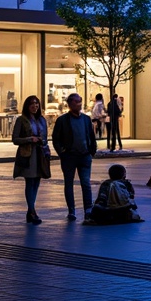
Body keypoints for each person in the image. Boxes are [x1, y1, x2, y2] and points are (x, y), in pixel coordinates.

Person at [51, 93, 96, 221]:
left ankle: (88, 209)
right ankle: (72, 210)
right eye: (76, 102)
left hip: (84, 156)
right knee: (69, 183)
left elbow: (91, 136)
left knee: (86, 183)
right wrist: (62, 153)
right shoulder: (63, 120)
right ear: (70, 104)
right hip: (69, 156)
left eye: (80, 101)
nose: (79, 104)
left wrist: (91, 151)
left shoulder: (86, 119)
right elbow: (56, 138)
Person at [12, 95, 51, 224]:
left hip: (40, 153)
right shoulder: (21, 120)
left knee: (37, 181)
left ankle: (31, 210)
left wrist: (45, 147)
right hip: (28, 154)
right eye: (32, 104)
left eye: (37, 104)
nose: (35, 106)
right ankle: (32, 210)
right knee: (30, 181)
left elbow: (45, 137)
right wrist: (30, 139)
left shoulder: (41, 120)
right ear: (27, 106)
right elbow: (15, 139)